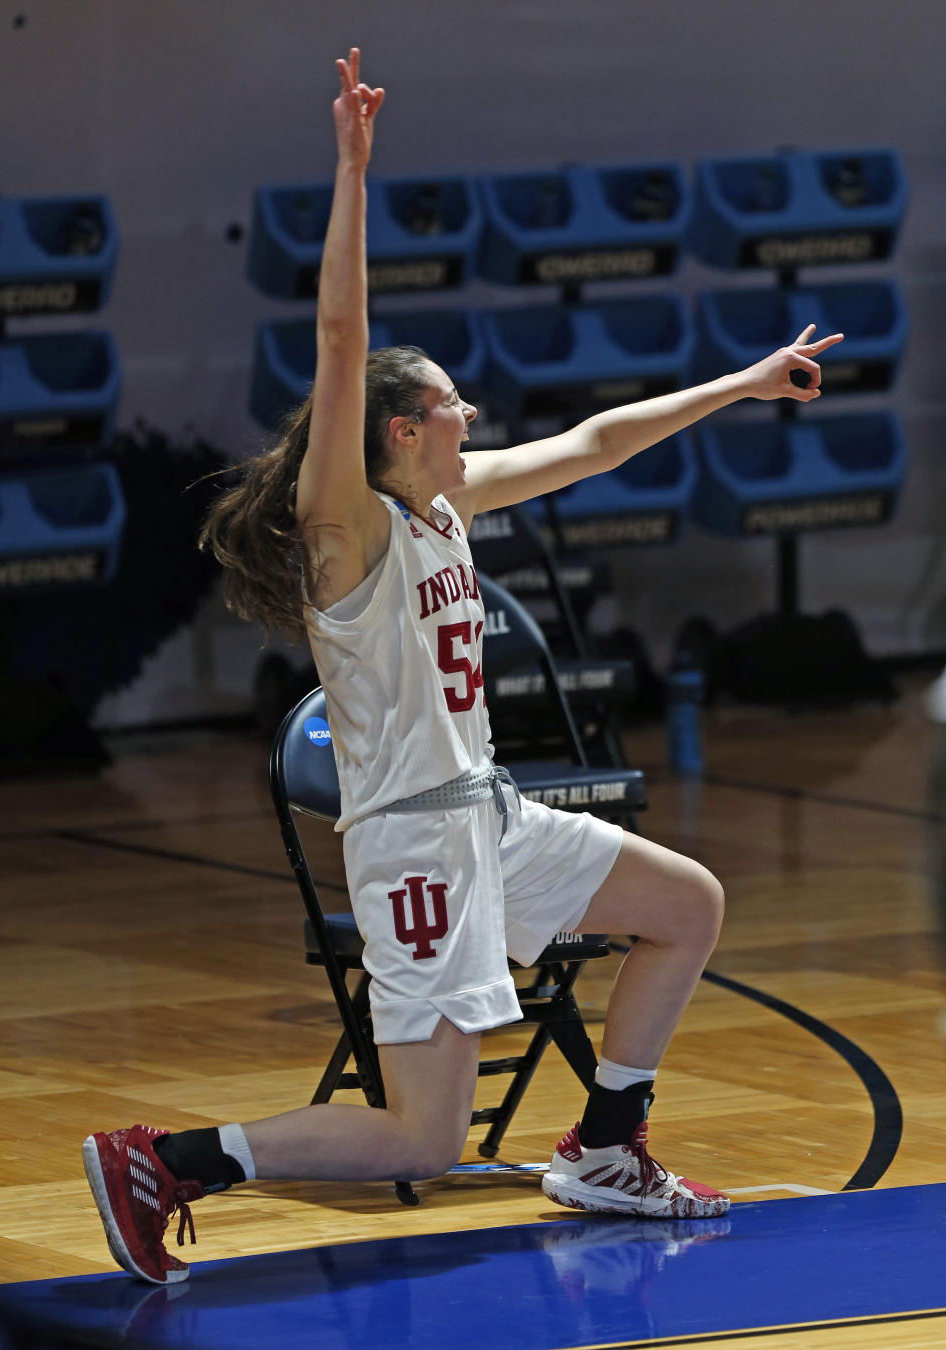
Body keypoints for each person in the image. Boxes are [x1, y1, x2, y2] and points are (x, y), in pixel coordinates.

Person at [82, 49, 844, 1285]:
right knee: (422, 1136)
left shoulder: (450, 503)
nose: (471, 418)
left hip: (487, 818)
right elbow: (340, 335)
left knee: (685, 903)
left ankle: (606, 1147)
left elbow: (598, 441)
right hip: (416, 849)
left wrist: (745, 383)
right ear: (395, 431)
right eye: (449, 408)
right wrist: (350, 172)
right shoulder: (350, 526)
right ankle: (166, 1161)